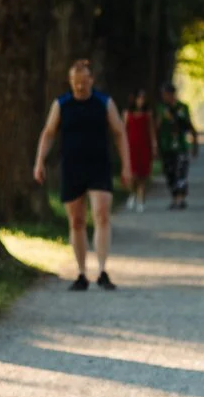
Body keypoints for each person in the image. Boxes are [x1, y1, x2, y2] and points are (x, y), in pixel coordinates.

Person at [33, 58, 131, 290]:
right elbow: (48, 133)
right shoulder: (62, 104)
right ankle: (81, 272)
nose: (79, 87)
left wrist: (126, 165)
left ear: (91, 80)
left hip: (99, 166)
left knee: (101, 215)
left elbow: (119, 133)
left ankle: (103, 269)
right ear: (70, 82)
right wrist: (39, 161)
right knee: (76, 221)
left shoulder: (104, 103)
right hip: (73, 167)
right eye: (75, 83)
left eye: (83, 83)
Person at [157, 81, 199, 208]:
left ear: (172, 94)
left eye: (166, 94)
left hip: (181, 144)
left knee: (181, 171)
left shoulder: (182, 107)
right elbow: (157, 126)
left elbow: (189, 125)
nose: (164, 97)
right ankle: (174, 197)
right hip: (167, 144)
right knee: (169, 172)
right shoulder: (161, 108)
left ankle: (181, 198)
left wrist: (195, 142)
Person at [124, 88, 155, 212]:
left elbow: (151, 130)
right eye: (139, 98)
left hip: (144, 146)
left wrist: (154, 145)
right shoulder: (127, 113)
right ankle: (132, 194)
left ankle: (141, 200)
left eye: (143, 99)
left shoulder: (148, 114)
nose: (141, 101)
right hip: (131, 146)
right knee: (132, 174)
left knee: (142, 175)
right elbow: (123, 130)